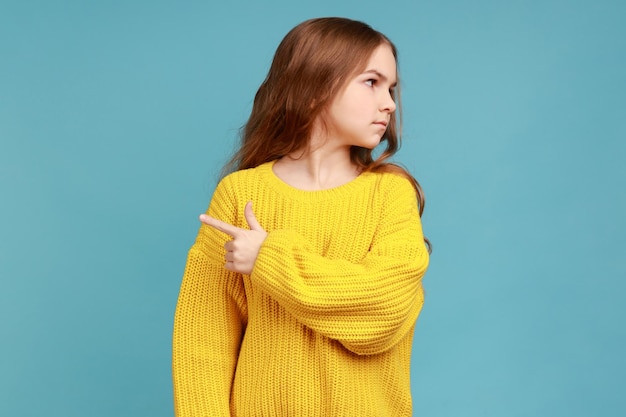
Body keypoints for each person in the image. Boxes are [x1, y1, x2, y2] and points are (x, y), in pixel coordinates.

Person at [172, 17, 431, 417]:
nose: (390, 103)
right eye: (372, 82)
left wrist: (268, 258)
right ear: (314, 86)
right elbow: (202, 342)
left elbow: (383, 310)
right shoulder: (242, 195)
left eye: (391, 88)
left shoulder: (390, 194)